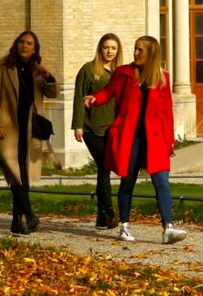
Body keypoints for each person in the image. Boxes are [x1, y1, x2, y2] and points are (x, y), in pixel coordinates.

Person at [84, 35, 186, 244]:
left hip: (155, 139)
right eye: (136, 49)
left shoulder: (162, 78)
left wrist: (169, 143)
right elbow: (109, 92)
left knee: (162, 183)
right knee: (127, 182)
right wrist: (95, 99)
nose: (136, 53)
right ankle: (125, 226)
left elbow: (167, 113)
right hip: (130, 138)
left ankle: (168, 228)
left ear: (152, 54)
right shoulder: (123, 73)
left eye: (141, 50)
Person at [0, 31, 58, 235]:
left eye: (29, 43)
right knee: (14, 172)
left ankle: (18, 220)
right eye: (21, 42)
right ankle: (29, 214)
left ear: (35, 49)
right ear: (16, 44)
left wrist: (49, 77)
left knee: (23, 175)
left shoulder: (37, 70)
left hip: (29, 129)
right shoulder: (2, 67)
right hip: (7, 129)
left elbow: (52, 93)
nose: (24, 46)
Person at [71, 33, 123, 230]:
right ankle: (109, 212)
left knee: (104, 169)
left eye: (113, 48)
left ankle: (102, 217)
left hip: (112, 128)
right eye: (106, 47)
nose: (109, 51)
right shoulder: (88, 69)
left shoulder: (119, 72)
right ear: (100, 48)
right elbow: (78, 98)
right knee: (104, 166)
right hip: (91, 128)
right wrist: (78, 125)